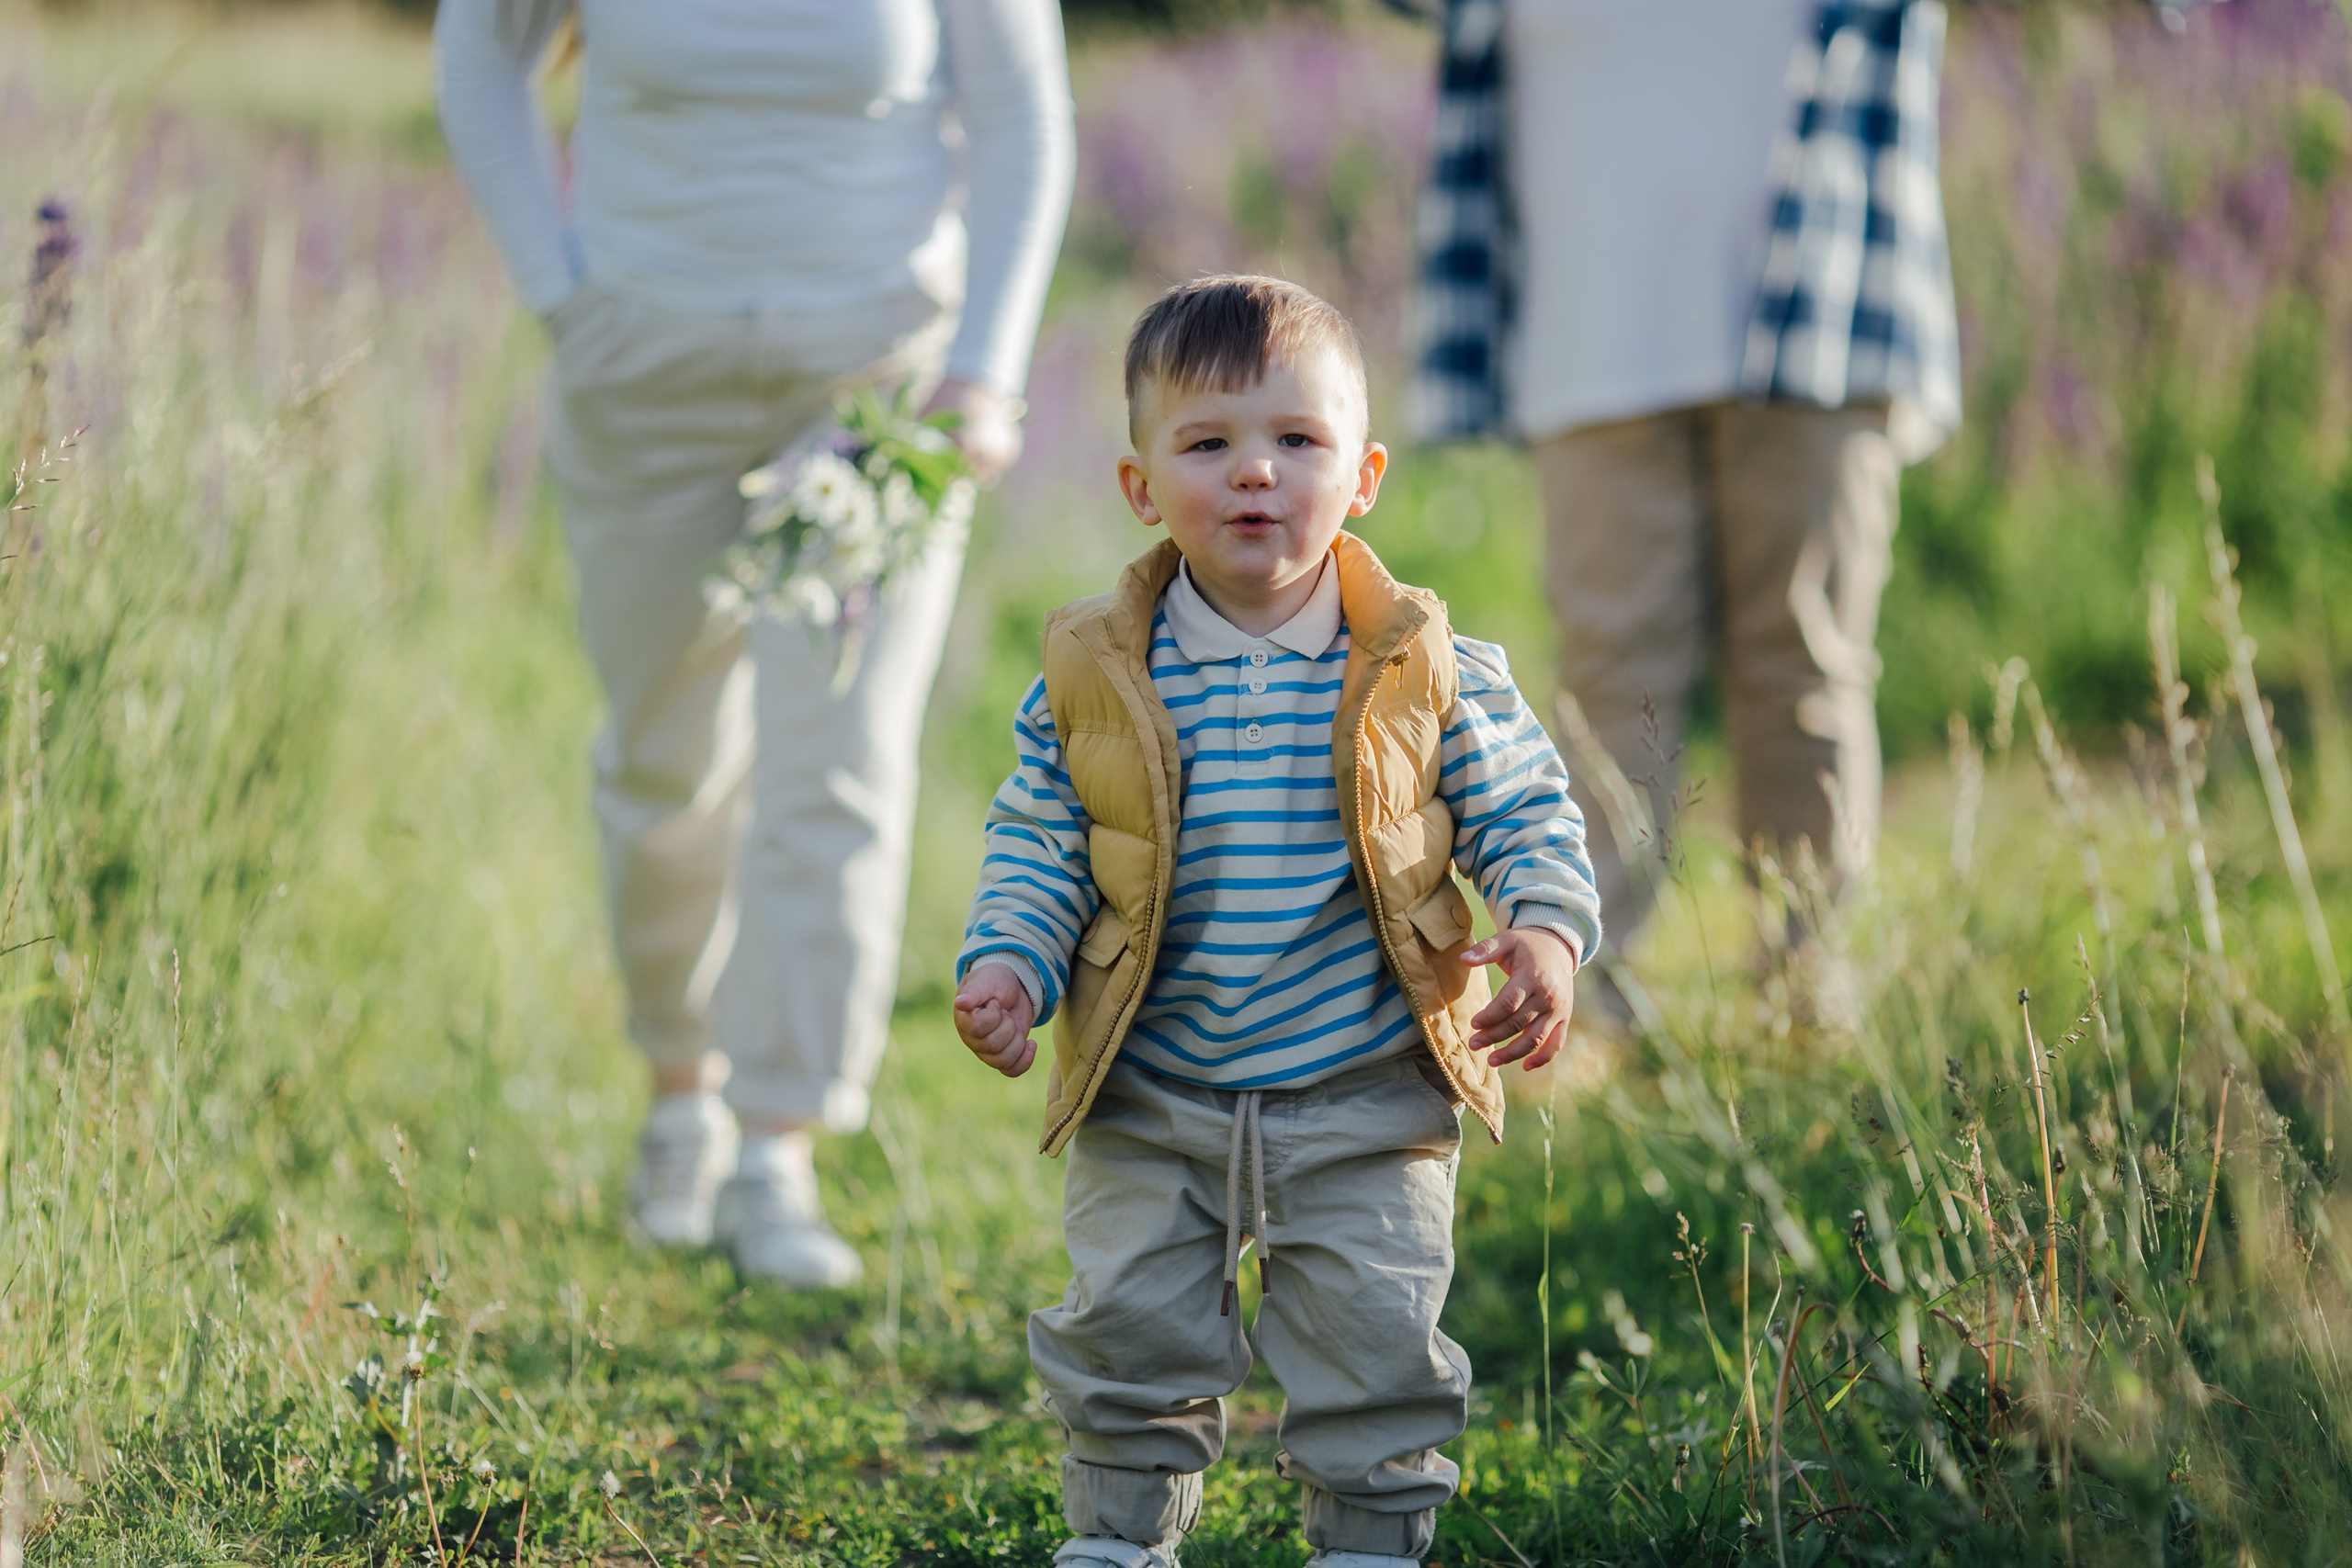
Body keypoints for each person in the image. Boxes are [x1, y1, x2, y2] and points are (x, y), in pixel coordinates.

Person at [951, 276, 1601, 1568]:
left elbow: (1525, 802)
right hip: (1156, 1083)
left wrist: (1543, 925)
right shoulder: (1097, 672)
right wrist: (1009, 961)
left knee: (1373, 1335)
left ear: (1360, 475)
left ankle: (1367, 1536)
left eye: (1296, 441)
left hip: (1361, 1086)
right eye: (1208, 443)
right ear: (1143, 485)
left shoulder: (1424, 661)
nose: (1256, 470)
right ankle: (1122, 1534)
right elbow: (1043, 838)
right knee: (1128, 1327)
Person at [433, 0, 1075, 1285]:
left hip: (878, 376)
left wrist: (987, 369)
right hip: (640, 362)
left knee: (838, 762)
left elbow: (1021, 110)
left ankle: (774, 1144)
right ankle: (682, 1094)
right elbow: (476, 50)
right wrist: (561, 295)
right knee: (664, 758)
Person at [1397, 0, 1962, 1013]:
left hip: (1826, 294)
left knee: (1806, 668)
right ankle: (1586, 1002)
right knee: (1611, 678)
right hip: (1587, 317)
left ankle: (1808, 1000)